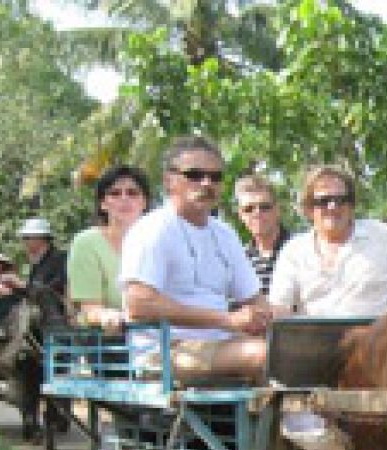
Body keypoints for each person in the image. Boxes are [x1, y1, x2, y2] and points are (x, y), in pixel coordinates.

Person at [120, 134, 270, 383]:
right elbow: (139, 305)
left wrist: (270, 315)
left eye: (215, 177)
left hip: (221, 345)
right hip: (165, 351)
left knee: (300, 354)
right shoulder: (152, 229)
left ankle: (290, 422)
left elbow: (254, 299)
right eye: (194, 175)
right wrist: (227, 319)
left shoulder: (225, 234)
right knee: (263, 354)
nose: (206, 183)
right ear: (169, 181)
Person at [268, 164, 387, 317]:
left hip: (377, 346)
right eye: (323, 201)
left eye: (341, 200)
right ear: (308, 209)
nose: (333, 207)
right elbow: (279, 307)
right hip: (316, 348)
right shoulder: (294, 251)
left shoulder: (381, 236)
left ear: (352, 205)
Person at [67, 164, 151, 326]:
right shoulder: (86, 243)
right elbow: (89, 309)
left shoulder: (160, 242)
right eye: (115, 193)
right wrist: (108, 317)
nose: (124, 199)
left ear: (144, 202)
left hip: (164, 336)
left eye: (132, 193)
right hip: (107, 341)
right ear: (103, 204)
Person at [234, 173, 288, 295]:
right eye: (248, 209)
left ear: (277, 210)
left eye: (264, 207)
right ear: (241, 215)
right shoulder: (239, 258)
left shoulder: (299, 250)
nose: (257, 213)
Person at [17, 217, 68, 304]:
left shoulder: (61, 259)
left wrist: (22, 285)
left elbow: (54, 290)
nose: (24, 241)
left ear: (41, 238)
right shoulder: (37, 264)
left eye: (26, 237)